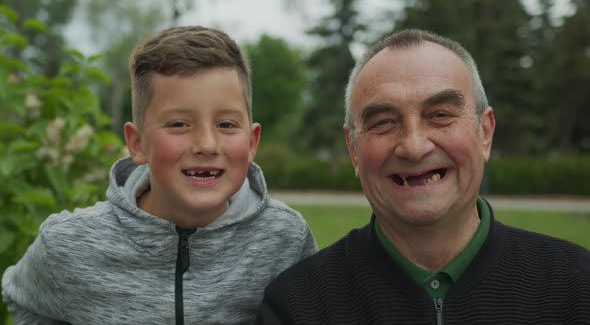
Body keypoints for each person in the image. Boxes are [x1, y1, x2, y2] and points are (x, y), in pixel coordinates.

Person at [256, 29, 590, 324]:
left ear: (484, 133)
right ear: (354, 149)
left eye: (440, 115)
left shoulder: (577, 287)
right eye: (384, 121)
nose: (413, 147)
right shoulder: (297, 305)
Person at [2, 25, 318, 325]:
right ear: (137, 144)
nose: (206, 144)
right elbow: (23, 299)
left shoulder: (286, 239)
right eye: (179, 124)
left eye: (226, 125)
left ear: (251, 143)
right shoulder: (66, 244)